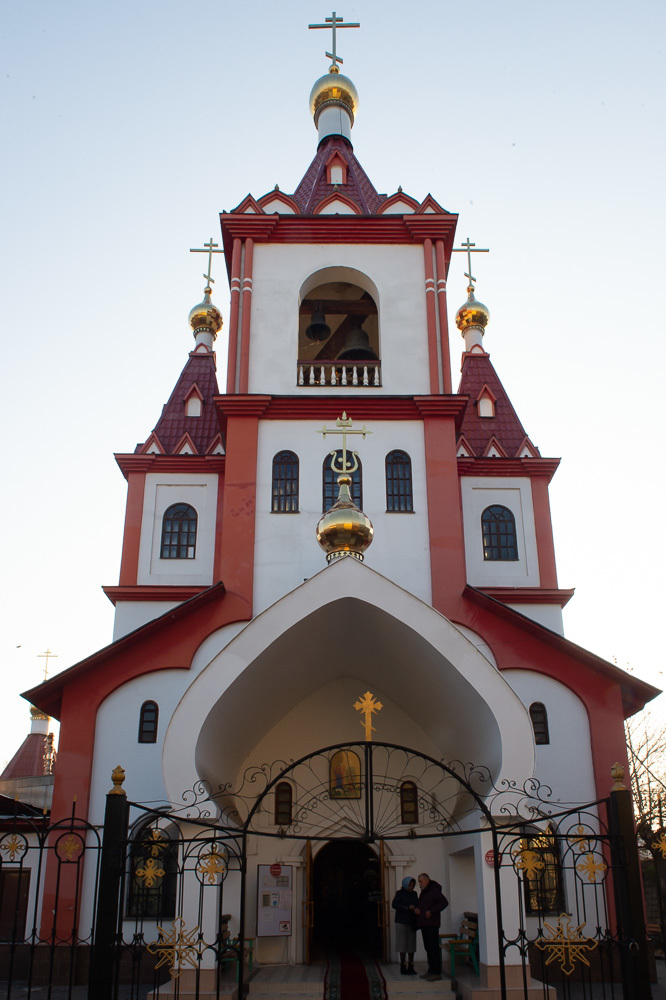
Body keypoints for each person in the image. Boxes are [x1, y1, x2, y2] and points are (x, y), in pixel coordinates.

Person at [414, 872, 448, 981]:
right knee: (428, 947)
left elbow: (444, 902)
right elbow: (424, 904)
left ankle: (436, 972)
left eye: (421, 881)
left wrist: (431, 911)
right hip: (425, 923)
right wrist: (418, 910)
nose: (420, 884)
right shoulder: (425, 892)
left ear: (427, 880)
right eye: (419, 882)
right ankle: (431, 970)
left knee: (433, 948)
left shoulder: (434, 891)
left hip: (432, 924)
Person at [391, 877, 418, 975]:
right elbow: (394, 904)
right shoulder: (399, 893)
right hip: (401, 921)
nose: (411, 887)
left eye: (412, 886)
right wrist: (406, 907)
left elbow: (417, 903)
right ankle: (403, 965)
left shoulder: (414, 894)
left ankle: (411, 965)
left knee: (411, 944)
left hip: (411, 921)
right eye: (409, 885)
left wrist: (415, 908)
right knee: (402, 943)